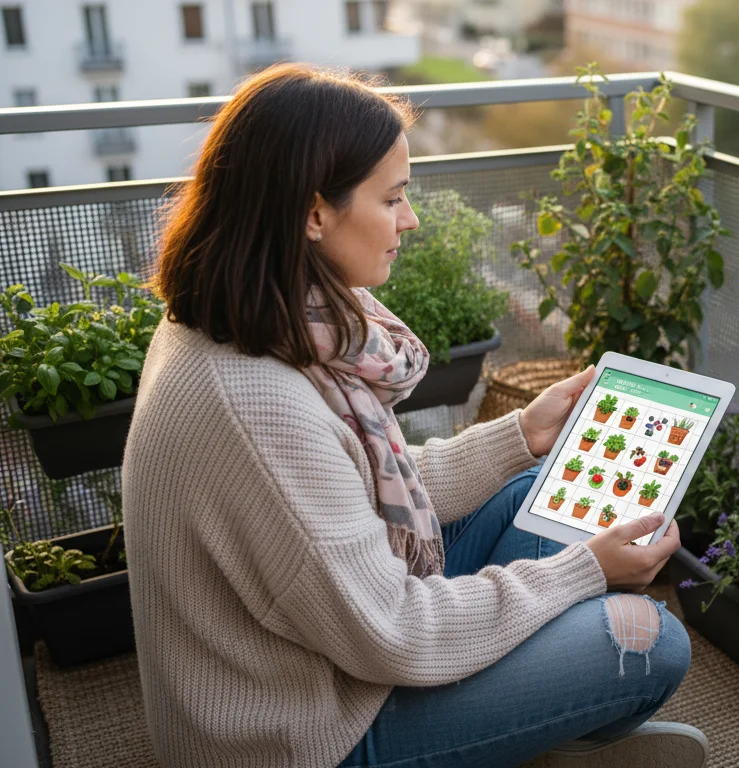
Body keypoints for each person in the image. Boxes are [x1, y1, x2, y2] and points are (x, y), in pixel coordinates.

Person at [122, 64, 705, 768]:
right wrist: (583, 573)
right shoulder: (258, 405)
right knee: (648, 641)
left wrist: (521, 435)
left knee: (534, 490)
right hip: (303, 732)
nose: (410, 219)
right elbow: (397, 632)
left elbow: (354, 492)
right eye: (392, 198)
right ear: (313, 213)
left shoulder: (254, 323)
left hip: (318, 652)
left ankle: (519, 720)